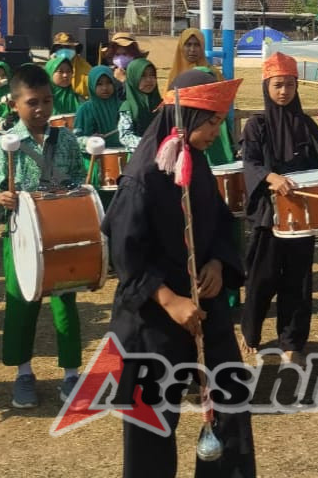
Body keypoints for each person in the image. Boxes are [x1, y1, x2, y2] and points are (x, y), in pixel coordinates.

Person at [101, 69, 256, 478]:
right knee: (150, 421)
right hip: (153, 316)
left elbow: (221, 223)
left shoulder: (196, 161)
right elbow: (124, 253)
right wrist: (169, 300)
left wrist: (218, 263)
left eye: (220, 123)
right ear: (185, 118)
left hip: (204, 305)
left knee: (230, 403)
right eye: (211, 123)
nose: (216, 133)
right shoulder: (141, 177)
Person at [0, 63, 87, 409]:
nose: (41, 109)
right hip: (21, 238)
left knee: (65, 305)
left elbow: (79, 177)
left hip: (61, 235)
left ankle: (71, 374)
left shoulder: (67, 139)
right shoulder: (4, 145)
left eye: (47, 101)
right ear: (14, 104)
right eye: (32, 103)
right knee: (21, 306)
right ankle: (23, 373)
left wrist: (77, 192)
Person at [239, 52, 318, 364]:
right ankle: (250, 333)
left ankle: (292, 341)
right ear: (266, 86)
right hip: (269, 215)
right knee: (262, 277)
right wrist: (270, 177)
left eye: (290, 85)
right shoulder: (256, 125)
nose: (284, 91)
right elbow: (249, 162)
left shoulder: (304, 124)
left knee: (299, 279)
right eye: (278, 85)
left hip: (301, 214)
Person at [118, 57, 163, 151]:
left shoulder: (162, 105)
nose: (149, 80)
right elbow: (125, 136)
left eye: (152, 75)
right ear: (133, 78)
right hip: (138, 155)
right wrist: (149, 143)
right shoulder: (128, 106)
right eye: (143, 76)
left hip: (161, 154)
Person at [74, 65, 123, 150]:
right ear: (91, 85)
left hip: (123, 153)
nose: (105, 88)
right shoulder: (85, 109)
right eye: (99, 84)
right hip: (94, 156)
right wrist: (89, 140)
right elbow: (75, 139)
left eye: (109, 83)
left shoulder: (122, 106)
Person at [51, 32, 92, 100]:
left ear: (75, 49)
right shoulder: (50, 68)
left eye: (68, 47)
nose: (64, 50)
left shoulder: (87, 71)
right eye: (60, 47)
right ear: (55, 50)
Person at [45, 50, 83, 117]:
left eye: (69, 71)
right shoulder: (43, 99)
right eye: (60, 71)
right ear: (50, 73)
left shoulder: (78, 98)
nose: (65, 75)